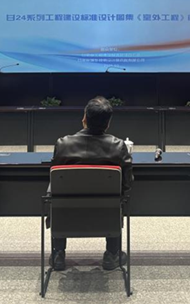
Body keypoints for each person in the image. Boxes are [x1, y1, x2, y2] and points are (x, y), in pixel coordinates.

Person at [49, 96, 133, 272]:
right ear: (108, 123)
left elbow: (56, 181)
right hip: (107, 215)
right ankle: (112, 254)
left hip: (66, 214)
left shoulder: (63, 144)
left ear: (84, 118)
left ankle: (58, 254)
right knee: (115, 198)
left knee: (57, 195)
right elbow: (127, 184)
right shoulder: (118, 146)